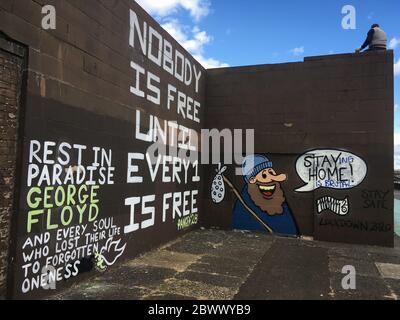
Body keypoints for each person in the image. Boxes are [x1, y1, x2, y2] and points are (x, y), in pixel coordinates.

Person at [232, 154, 299, 236]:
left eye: (271, 172)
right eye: (264, 175)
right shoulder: (245, 203)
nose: (271, 178)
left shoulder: (278, 197)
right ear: (252, 180)